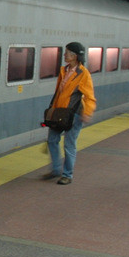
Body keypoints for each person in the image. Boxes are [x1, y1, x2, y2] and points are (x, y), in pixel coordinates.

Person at [44, 42, 96, 185]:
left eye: (67, 52)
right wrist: (52, 110)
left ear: (75, 56)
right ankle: (56, 169)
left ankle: (67, 174)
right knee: (52, 140)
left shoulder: (83, 74)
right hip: (59, 113)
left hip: (74, 115)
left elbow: (90, 97)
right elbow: (58, 93)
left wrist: (88, 112)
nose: (65, 55)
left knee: (69, 144)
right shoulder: (64, 70)